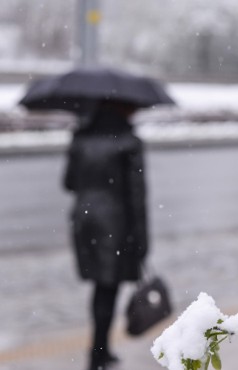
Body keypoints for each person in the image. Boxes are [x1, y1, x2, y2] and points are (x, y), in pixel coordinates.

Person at [63, 100, 148, 370]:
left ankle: (100, 350)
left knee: (101, 286)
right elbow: (137, 197)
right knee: (107, 288)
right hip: (115, 222)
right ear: (123, 108)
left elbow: (67, 183)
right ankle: (98, 354)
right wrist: (142, 239)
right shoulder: (128, 142)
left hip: (84, 220)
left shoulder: (81, 138)